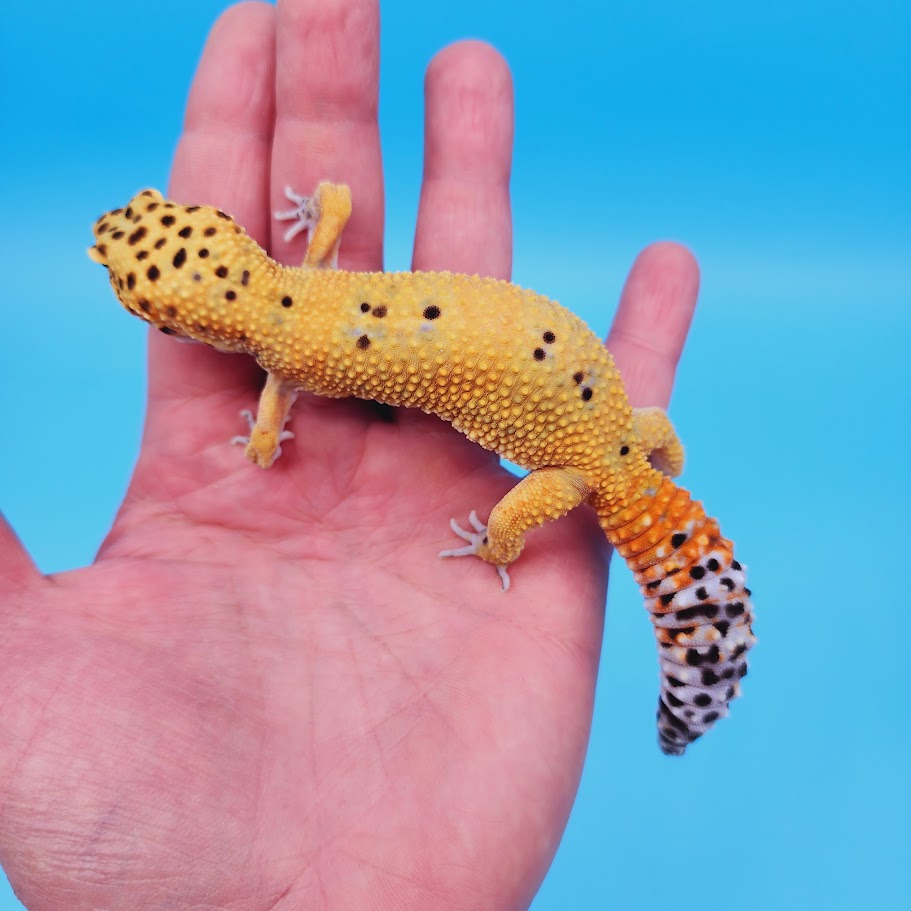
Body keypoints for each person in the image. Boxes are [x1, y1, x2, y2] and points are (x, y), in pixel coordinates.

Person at [0, 1, 699, 907]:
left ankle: (510, 546)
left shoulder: (285, 357)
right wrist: (647, 477)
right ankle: (653, 501)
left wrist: (498, 536)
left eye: (137, 255)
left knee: (516, 514)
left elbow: (266, 437)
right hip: (604, 409)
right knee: (638, 444)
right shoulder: (302, 279)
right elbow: (331, 200)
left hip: (574, 464)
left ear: (172, 319)